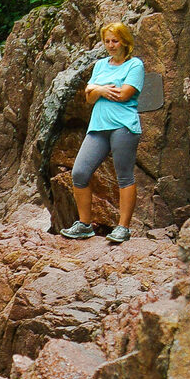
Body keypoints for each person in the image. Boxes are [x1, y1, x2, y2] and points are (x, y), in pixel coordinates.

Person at [61, 23, 143, 243]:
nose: (110, 45)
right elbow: (88, 98)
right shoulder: (99, 65)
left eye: (115, 41)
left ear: (125, 42)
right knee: (79, 172)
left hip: (123, 125)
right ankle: (84, 225)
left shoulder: (134, 65)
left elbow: (124, 94)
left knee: (124, 175)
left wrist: (98, 89)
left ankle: (123, 228)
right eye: (107, 41)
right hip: (98, 126)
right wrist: (102, 90)